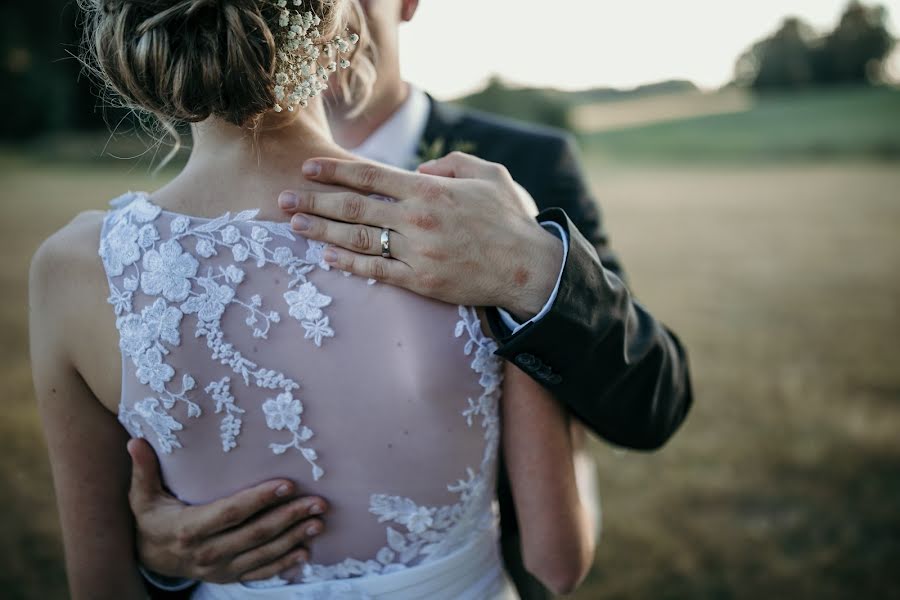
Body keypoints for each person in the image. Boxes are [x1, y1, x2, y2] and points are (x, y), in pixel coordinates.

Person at [30, 0, 597, 597]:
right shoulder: (484, 229)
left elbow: (100, 586)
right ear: (333, 21)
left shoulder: (74, 269)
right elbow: (557, 561)